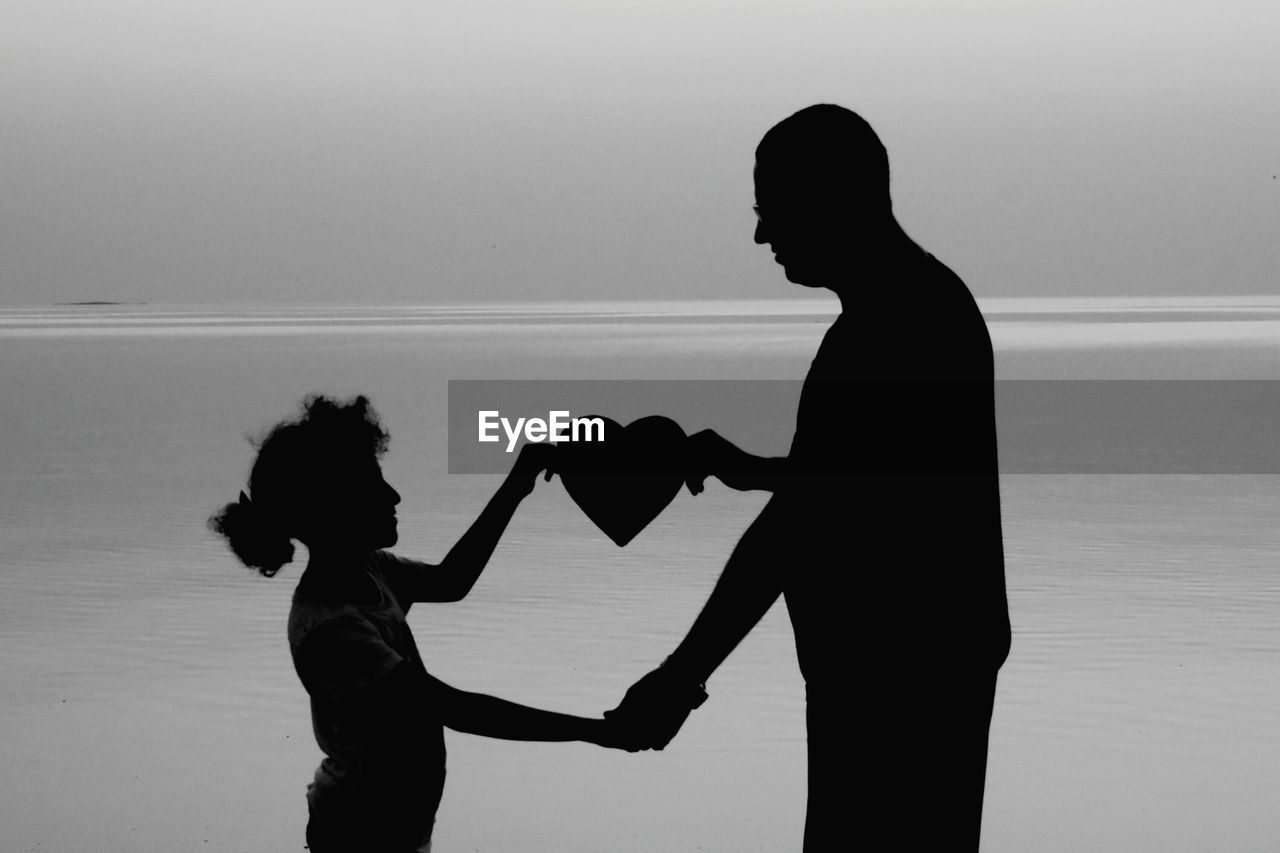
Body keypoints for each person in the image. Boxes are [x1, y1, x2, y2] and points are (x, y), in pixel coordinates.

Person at [606, 104, 1011, 850]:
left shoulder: (886, 331)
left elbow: (798, 528)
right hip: (904, 678)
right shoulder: (922, 308)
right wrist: (755, 468)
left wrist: (680, 676)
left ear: (834, 199)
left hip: (895, 696)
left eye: (772, 210)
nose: (762, 234)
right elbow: (873, 480)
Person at [210, 394, 632, 853]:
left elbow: (452, 580)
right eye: (372, 485)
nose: (393, 495)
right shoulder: (332, 629)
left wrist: (520, 480)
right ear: (331, 505)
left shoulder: (372, 570)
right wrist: (598, 731)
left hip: (394, 828)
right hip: (357, 836)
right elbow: (452, 708)